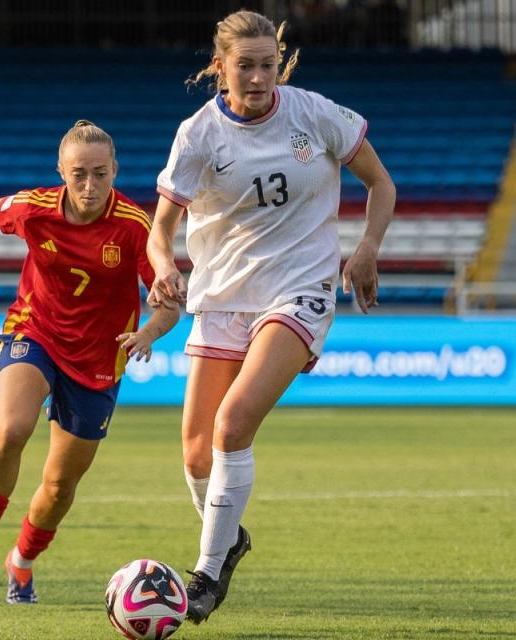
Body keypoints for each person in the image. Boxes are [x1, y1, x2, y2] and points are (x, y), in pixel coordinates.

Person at [147, 10, 395, 624]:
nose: (258, 78)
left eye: (267, 64)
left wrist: (366, 249)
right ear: (219, 68)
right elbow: (160, 231)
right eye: (244, 66)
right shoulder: (198, 135)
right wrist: (163, 268)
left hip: (301, 289)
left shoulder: (314, 114)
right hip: (223, 297)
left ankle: (205, 577)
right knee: (197, 456)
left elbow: (380, 184)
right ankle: (229, 540)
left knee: (233, 425)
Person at [0, 120, 179, 603]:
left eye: (100, 174)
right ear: (61, 172)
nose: (90, 185)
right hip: (35, 330)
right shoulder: (34, 208)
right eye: (79, 173)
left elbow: (168, 302)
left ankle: (21, 562)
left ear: (115, 171)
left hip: (98, 359)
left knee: (60, 484)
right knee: (12, 430)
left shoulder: (134, 227)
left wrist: (149, 331)